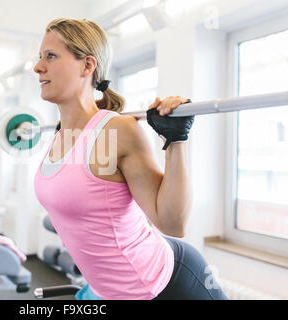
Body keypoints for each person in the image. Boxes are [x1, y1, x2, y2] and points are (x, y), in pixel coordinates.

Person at [33, 18, 228, 300]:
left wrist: (176, 141)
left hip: (165, 286)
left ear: (87, 66)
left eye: (50, 56)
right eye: (39, 58)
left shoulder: (117, 130)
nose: (38, 67)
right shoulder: (61, 135)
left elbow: (173, 224)